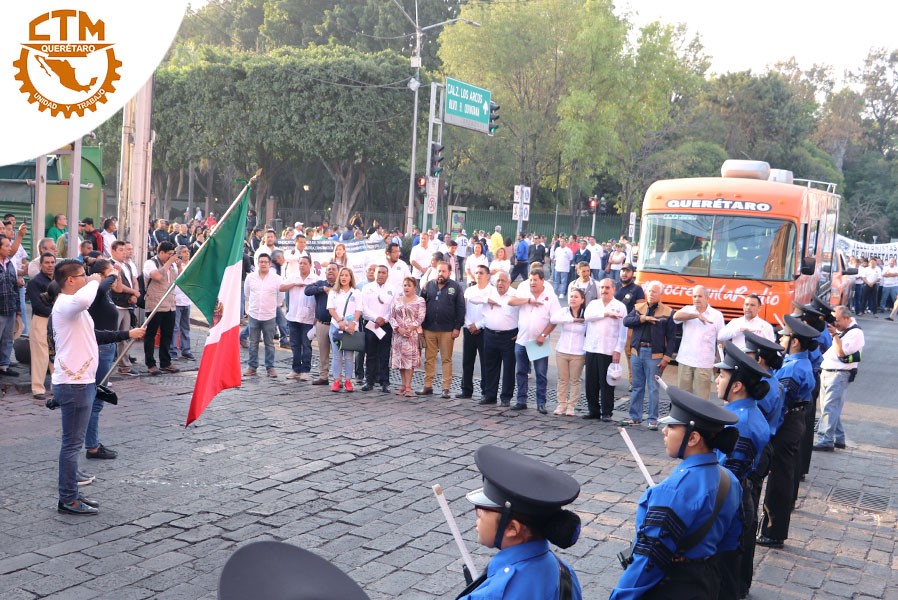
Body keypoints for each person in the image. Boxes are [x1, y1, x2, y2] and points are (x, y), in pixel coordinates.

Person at [611, 387, 741, 600]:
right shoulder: (730, 479)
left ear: (693, 438)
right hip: (708, 579)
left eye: (671, 426)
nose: (664, 431)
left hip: (673, 585)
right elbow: (731, 541)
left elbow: (648, 560)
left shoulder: (672, 491)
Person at [48, 259, 145, 515]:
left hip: (80, 383)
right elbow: (87, 297)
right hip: (74, 385)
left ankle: (71, 493)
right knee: (71, 446)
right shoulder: (67, 303)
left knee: (72, 443)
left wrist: (127, 334)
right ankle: (68, 499)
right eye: (82, 275)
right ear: (70, 280)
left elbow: (94, 335)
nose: (87, 278)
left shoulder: (73, 307)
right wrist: (100, 278)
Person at [459, 445, 582, 600]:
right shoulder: (564, 571)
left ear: (512, 528)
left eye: (480, 514)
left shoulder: (495, 594)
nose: (477, 519)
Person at [713, 342, 772, 599]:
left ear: (736, 386)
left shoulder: (740, 423)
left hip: (728, 502)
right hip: (739, 495)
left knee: (722, 578)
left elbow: (727, 475)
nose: (717, 379)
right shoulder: (744, 412)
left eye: (722, 375)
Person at [757, 315, 818, 549]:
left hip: (787, 423)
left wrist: (768, 429)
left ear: (795, 341)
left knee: (779, 479)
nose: (780, 339)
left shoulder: (791, 368)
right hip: (796, 419)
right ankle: (775, 529)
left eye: (784, 336)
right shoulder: (800, 362)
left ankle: (773, 532)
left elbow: (779, 403)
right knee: (784, 474)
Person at [85, 259, 125, 461]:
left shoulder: (105, 293)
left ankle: (92, 442)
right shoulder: (96, 291)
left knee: (98, 397)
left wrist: (114, 275)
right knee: (97, 399)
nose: (114, 275)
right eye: (109, 272)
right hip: (101, 348)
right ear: (101, 275)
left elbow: (113, 288)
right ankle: (92, 446)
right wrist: (112, 274)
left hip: (107, 347)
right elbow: (101, 287)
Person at [622, 281, 676, 429]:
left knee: (653, 388)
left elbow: (672, 338)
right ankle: (635, 417)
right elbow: (626, 321)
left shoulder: (668, 312)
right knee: (637, 386)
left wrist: (666, 358)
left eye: (655, 291)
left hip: (655, 355)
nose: (651, 294)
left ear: (661, 294)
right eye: (650, 291)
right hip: (637, 352)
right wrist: (643, 318)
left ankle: (652, 419)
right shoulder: (638, 308)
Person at [508, 269, 561, 413]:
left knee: (540, 374)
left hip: (538, 342)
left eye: (535, 280)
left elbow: (555, 319)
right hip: (522, 340)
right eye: (530, 280)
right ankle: (521, 401)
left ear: (542, 281)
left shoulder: (550, 296)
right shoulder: (523, 291)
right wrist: (528, 300)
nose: (532, 282)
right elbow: (511, 301)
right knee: (521, 372)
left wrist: (544, 335)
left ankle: (541, 403)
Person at [813, 305, 864, 451]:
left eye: (838, 320)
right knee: (830, 408)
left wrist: (835, 334)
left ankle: (826, 440)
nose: (835, 323)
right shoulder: (844, 330)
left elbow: (841, 353)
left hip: (839, 374)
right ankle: (838, 437)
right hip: (829, 371)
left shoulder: (855, 333)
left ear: (847, 318)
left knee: (829, 408)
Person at [418, 262, 465, 399]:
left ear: (449, 273)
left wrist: (457, 327)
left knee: (446, 359)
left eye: (444, 271)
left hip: (447, 330)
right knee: (429, 359)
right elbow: (420, 305)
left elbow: (461, 308)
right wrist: (420, 326)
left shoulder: (455, 287)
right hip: (429, 329)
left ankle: (446, 388)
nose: (441, 274)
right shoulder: (428, 286)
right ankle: (427, 386)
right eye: (439, 271)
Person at [582, 278, 627, 421]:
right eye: (602, 287)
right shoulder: (593, 304)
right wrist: (605, 314)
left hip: (608, 349)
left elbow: (623, 331)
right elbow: (587, 317)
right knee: (591, 382)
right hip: (592, 347)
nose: (604, 290)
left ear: (614, 289)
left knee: (607, 383)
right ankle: (593, 410)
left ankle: (607, 412)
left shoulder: (620, 306)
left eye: (607, 287)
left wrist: (618, 350)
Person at [673, 285, 724, 400]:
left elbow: (720, 339)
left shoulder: (717, 315)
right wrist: (696, 315)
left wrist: (718, 360)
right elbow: (675, 317)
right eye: (694, 296)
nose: (696, 299)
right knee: (683, 397)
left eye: (700, 296)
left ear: (707, 297)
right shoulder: (688, 310)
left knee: (702, 399)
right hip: (685, 360)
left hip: (704, 363)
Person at [480, 272, 519, 406]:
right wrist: (486, 299)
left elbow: (524, 314)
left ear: (509, 282)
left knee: (508, 368)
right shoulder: (490, 293)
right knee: (490, 367)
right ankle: (490, 395)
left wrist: (520, 332)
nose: (500, 283)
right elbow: (471, 296)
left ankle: (506, 397)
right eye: (498, 281)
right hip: (490, 334)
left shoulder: (515, 295)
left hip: (509, 337)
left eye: (503, 281)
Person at [143, 241, 179, 375]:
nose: (171, 256)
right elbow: (157, 276)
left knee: (167, 335)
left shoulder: (173, 265)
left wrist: (178, 266)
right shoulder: (150, 263)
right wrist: (169, 263)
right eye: (169, 254)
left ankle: (165, 362)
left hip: (170, 305)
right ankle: (150, 364)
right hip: (155, 305)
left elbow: (178, 279)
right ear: (161, 252)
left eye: (172, 254)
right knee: (151, 335)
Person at [456, 265, 492, 400]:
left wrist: (477, 325)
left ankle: (485, 391)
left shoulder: (492, 291)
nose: (478, 275)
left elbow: (492, 313)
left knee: (485, 362)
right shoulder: (469, 290)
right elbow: (463, 309)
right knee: (467, 361)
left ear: (488, 275)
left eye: (481, 273)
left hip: (484, 330)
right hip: (468, 329)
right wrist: (469, 324)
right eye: (476, 273)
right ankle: (466, 389)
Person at [243, 253, 281, 378]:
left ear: (270, 264)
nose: (263, 264)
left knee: (269, 343)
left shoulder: (276, 278)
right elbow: (247, 294)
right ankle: (252, 367)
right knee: (253, 342)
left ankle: (270, 368)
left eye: (265, 262)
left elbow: (280, 296)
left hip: (269, 315)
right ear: (257, 263)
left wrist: (274, 306)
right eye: (261, 262)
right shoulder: (250, 278)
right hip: (254, 314)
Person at [550, 289, 587, 416]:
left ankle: (571, 406)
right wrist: (572, 320)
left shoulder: (586, 314)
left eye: (576, 297)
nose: (572, 299)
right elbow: (553, 319)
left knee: (575, 380)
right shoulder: (564, 311)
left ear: (582, 300)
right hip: (562, 350)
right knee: (562, 379)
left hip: (578, 353)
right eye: (571, 296)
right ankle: (561, 404)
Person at [282, 256, 318, 381]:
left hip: (309, 318)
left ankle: (305, 370)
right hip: (293, 316)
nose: (302, 265)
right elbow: (281, 287)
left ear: (310, 265)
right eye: (300, 263)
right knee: (294, 344)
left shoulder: (316, 279)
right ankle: (295, 369)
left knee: (306, 345)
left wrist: (316, 316)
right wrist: (293, 284)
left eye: (304, 263)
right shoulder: (293, 277)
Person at [359, 264, 394, 393]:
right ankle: (369, 381)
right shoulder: (367, 288)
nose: (381, 275)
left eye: (384, 273)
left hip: (386, 325)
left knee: (384, 355)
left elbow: (393, 308)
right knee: (370, 354)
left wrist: (384, 319)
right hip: (371, 325)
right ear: (375, 274)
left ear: (387, 275)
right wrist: (375, 318)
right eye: (379, 272)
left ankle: (385, 382)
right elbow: (364, 307)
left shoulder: (392, 289)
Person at [327, 267, 362, 392]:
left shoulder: (356, 292)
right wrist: (339, 321)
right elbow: (331, 308)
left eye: (346, 275)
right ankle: (337, 380)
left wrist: (354, 323)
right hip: (336, 327)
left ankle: (348, 380)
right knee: (337, 355)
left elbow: (358, 309)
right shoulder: (333, 292)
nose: (344, 277)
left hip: (351, 328)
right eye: (342, 275)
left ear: (350, 278)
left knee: (348, 356)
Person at [389, 276, 425, 397]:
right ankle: (403, 385)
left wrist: (409, 329)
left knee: (409, 361)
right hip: (398, 334)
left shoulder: (420, 300)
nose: (406, 288)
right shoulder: (397, 300)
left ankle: (409, 386)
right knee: (401, 361)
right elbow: (391, 317)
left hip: (412, 335)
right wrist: (399, 329)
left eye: (409, 285)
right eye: (405, 285)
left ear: (414, 287)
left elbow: (421, 317)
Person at [109, 241, 140, 376]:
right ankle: (106, 366)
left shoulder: (127, 265)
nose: (124, 253)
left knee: (125, 337)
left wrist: (135, 294)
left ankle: (125, 366)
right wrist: (134, 292)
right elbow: (117, 286)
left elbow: (134, 281)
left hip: (127, 305)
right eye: (121, 250)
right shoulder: (109, 265)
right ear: (113, 250)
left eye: (125, 250)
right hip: (115, 305)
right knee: (111, 337)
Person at [27, 253, 55, 399]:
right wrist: (57, 311)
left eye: (52, 262)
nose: (50, 265)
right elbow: (38, 305)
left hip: (56, 321)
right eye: (47, 263)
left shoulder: (58, 281)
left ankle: (56, 388)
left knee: (56, 355)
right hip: (41, 320)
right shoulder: (34, 282)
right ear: (40, 265)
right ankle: (38, 389)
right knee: (40, 355)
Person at [306, 263, 338, 385]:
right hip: (322, 324)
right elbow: (307, 290)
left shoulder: (341, 285)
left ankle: (337, 378)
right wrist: (322, 289)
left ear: (338, 272)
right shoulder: (320, 284)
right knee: (323, 353)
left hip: (336, 325)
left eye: (333, 269)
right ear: (325, 272)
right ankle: (323, 376)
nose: (331, 271)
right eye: (328, 269)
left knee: (338, 354)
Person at [615, 263, 645, 392]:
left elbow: (641, 309)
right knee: (610, 352)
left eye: (627, 271)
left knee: (630, 355)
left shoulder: (637, 289)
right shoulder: (614, 286)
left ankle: (633, 381)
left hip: (629, 327)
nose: (624, 273)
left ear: (632, 274)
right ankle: (610, 377)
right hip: (613, 325)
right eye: (622, 271)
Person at [169, 246, 195, 360]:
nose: (187, 254)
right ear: (178, 254)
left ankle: (186, 350)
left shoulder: (190, 265)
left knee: (185, 327)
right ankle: (173, 350)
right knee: (175, 327)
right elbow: (179, 280)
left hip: (186, 300)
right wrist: (179, 267)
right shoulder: (174, 266)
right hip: (176, 300)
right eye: (184, 252)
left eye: (188, 252)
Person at [0, 236, 20, 376]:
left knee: (8, 339)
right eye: (6, 246)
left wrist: (18, 307)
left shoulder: (9, 263)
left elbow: (15, 287)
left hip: (11, 308)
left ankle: (4, 366)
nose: (10, 248)